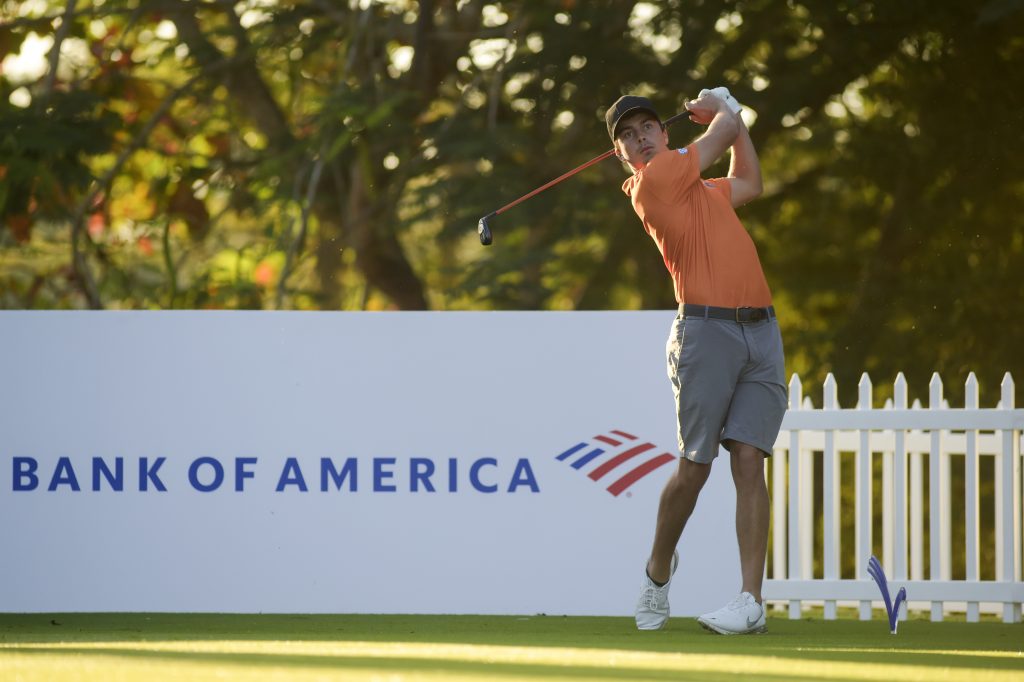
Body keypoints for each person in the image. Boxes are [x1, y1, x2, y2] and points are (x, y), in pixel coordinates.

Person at [605, 92, 787, 635]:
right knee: (696, 467)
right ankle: (658, 570)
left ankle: (750, 602)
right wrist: (724, 108)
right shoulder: (652, 183)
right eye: (629, 135)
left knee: (750, 459)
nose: (642, 137)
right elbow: (722, 132)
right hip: (704, 334)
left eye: (648, 127)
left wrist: (735, 121)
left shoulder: (702, 190)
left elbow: (750, 182)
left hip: (762, 331)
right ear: (624, 156)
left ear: (664, 132)